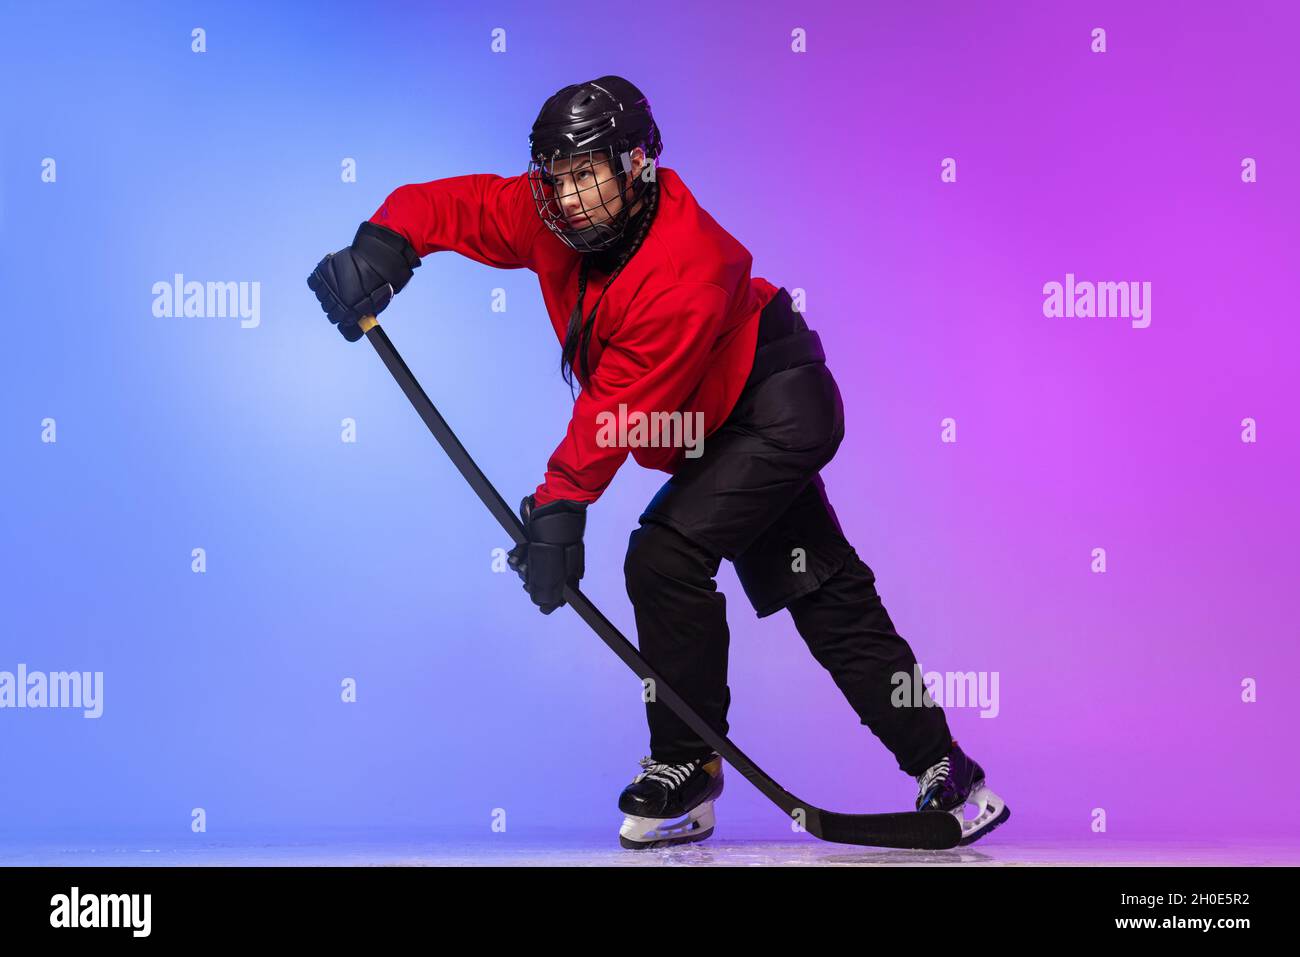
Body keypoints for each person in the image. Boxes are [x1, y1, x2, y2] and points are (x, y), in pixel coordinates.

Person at [307, 76, 1009, 849]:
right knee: (819, 584)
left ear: (636, 163)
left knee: (665, 556)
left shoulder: (684, 268)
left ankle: (685, 763)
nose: (570, 198)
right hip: (713, 424)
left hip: (773, 404)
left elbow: (618, 407)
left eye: (588, 175)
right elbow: (454, 207)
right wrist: (384, 245)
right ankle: (952, 774)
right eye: (557, 178)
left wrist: (558, 512)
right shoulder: (554, 220)